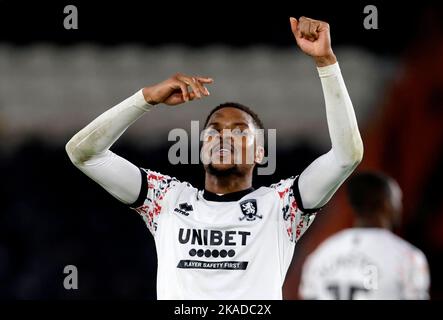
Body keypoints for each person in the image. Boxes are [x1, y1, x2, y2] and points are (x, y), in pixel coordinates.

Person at [65, 16, 363, 299]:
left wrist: (326, 63)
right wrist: (146, 98)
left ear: (260, 152)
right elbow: (83, 153)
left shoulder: (282, 206)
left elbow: (346, 156)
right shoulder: (165, 199)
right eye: (214, 130)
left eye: (239, 131)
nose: (224, 137)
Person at [299, 172, 430, 300]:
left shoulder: (321, 253)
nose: (400, 205)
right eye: (398, 199)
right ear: (386, 203)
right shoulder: (407, 257)